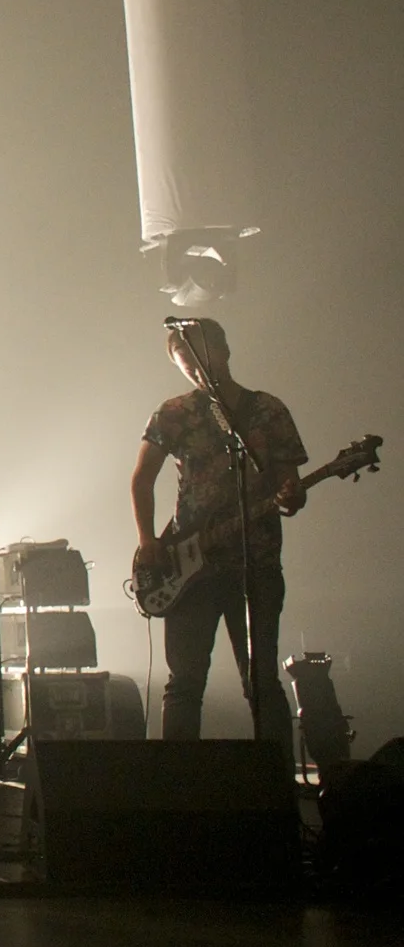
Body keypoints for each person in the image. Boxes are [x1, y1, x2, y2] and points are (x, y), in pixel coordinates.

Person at [130, 318, 307, 756]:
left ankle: (277, 793)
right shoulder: (173, 413)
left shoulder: (267, 410)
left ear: (223, 352)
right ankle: (180, 791)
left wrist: (291, 495)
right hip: (188, 564)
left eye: (196, 356)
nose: (191, 367)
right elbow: (141, 479)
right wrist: (148, 539)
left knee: (262, 682)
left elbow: (291, 487)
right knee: (185, 683)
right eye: (181, 361)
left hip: (257, 562)